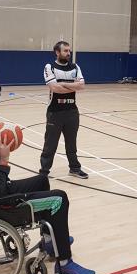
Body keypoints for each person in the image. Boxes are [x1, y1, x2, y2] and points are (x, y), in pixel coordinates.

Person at [0, 103, 95, 274]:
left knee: (42, 180)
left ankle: (50, 241)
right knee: (59, 198)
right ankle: (64, 265)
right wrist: (4, 160)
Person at [39, 41, 88, 179]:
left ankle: (74, 168)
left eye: (69, 51)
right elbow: (54, 88)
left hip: (72, 112)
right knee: (50, 144)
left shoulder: (75, 67)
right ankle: (44, 172)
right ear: (57, 52)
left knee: (71, 143)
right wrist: (73, 85)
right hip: (55, 112)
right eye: (65, 51)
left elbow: (82, 86)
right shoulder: (50, 67)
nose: (68, 53)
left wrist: (63, 84)